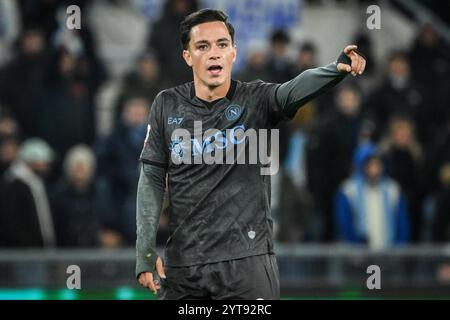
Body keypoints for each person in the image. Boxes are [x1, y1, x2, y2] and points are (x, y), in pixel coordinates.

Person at [136, 9, 366, 300]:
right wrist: (144, 250)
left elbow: (292, 91)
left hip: (248, 268)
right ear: (187, 56)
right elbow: (152, 178)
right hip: (185, 269)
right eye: (203, 46)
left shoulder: (257, 100)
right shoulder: (166, 105)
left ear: (234, 52)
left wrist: (334, 69)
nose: (214, 54)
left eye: (222, 44)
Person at [334, 143, 410, 250]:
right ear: (362, 165)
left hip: (388, 252)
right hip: (357, 255)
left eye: (377, 164)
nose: (375, 169)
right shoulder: (349, 190)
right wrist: (356, 244)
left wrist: (398, 248)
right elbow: (344, 224)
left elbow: (402, 224)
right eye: (370, 165)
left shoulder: (393, 189)